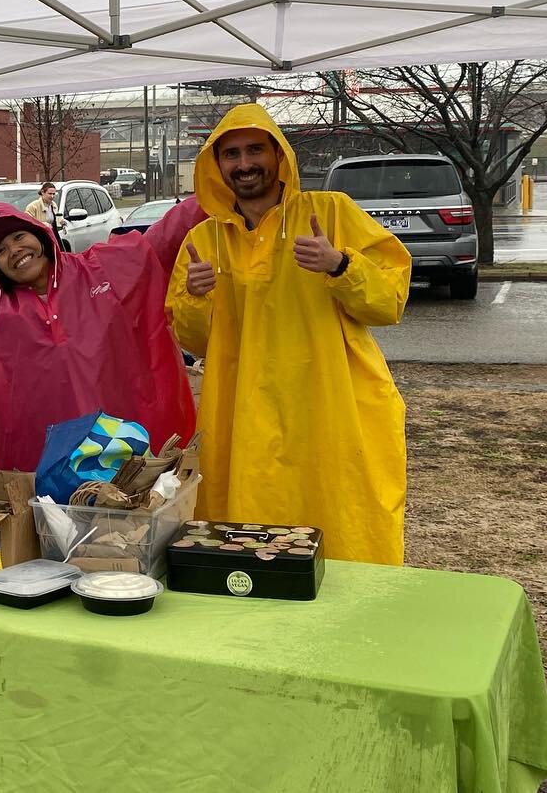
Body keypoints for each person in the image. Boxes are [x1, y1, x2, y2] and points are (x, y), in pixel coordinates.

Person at [168, 103, 411, 565]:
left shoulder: (332, 213)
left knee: (342, 519)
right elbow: (195, 341)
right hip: (242, 416)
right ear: (216, 165)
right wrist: (196, 299)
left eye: (255, 150)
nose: (244, 164)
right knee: (250, 529)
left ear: (279, 156)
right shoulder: (202, 240)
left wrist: (340, 265)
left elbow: (389, 302)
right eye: (231, 154)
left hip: (332, 408)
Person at [0, 195, 205, 470]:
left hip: (130, 452)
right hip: (44, 472)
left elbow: (163, 238)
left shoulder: (101, 269)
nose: (14, 250)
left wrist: (214, 191)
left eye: (18, 237)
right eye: (0, 251)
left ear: (40, 234)